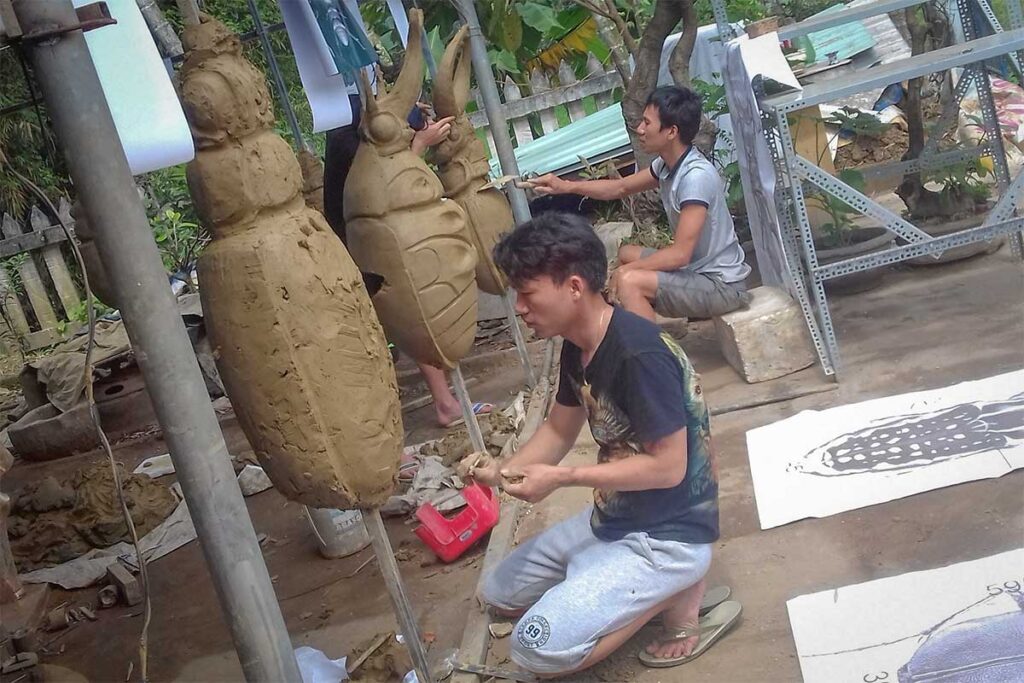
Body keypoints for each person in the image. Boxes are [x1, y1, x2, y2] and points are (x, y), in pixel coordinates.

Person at [469, 212, 738, 676]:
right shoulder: (578, 343)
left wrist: (565, 477)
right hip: (616, 514)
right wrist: (502, 471)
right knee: (498, 594)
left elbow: (668, 468)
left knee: (534, 651)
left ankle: (673, 592)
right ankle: (613, 580)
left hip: (668, 534)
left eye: (527, 293)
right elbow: (558, 430)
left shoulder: (638, 354)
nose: (519, 307)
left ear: (574, 287)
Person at [322, 90, 491, 429]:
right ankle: (395, 430)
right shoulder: (355, 152)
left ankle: (445, 403)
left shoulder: (353, 142)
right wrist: (419, 146)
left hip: (370, 245)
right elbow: (384, 186)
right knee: (404, 319)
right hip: (366, 252)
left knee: (416, 314)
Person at [525, 86, 751, 322]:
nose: (640, 129)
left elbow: (680, 255)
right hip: (695, 273)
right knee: (626, 254)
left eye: (647, 123)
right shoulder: (666, 165)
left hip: (722, 286)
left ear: (671, 131)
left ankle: (654, 354)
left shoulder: (695, 177)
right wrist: (565, 186)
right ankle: (634, 327)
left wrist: (627, 272)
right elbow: (620, 188)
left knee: (629, 279)